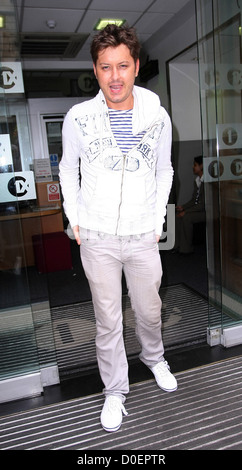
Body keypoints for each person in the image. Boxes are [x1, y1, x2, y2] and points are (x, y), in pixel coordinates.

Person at [59, 24, 177, 433]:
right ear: (95, 70)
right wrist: (73, 217)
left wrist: (157, 219)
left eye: (123, 66)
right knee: (107, 320)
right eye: (106, 67)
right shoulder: (78, 118)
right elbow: (67, 168)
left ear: (136, 66)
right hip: (97, 238)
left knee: (150, 310)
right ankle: (115, 390)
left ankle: (154, 357)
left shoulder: (157, 116)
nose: (115, 77)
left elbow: (165, 169)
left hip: (142, 236)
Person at [174, 155, 205, 254]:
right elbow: (193, 200)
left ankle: (186, 248)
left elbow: (202, 205)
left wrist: (186, 211)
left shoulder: (207, 182)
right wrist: (183, 207)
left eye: (195, 165)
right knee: (177, 217)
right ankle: (177, 245)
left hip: (206, 212)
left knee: (186, 217)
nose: (193, 167)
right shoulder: (197, 181)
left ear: (202, 166)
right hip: (198, 210)